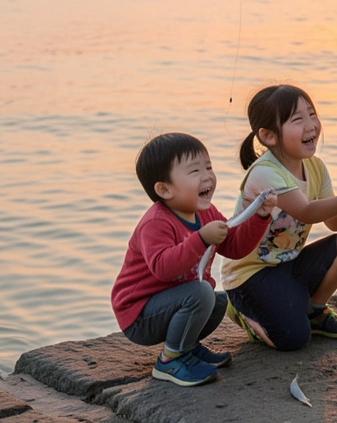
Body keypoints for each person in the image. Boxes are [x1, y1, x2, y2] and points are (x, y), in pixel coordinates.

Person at [221, 84, 337, 351]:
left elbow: (333, 221)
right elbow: (307, 211)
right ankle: (241, 311)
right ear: (268, 135)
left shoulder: (315, 167)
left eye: (312, 114)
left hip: (288, 263)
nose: (311, 125)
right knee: (292, 339)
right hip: (250, 275)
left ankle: (314, 311)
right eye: (298, 119)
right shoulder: (265, 173)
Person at [111, 132, 277, 387]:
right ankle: (169, 361)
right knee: (201, 294)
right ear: (164, 189)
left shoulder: (206, 213)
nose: (207, 176)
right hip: (139, 314)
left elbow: (234, 246)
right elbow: (163, 269)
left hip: (171, 302)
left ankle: (186, 348)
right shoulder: (156, 222)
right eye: (195, 171)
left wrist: (260, 217)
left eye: (208, 167)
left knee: (217, 301)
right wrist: (200, 239)